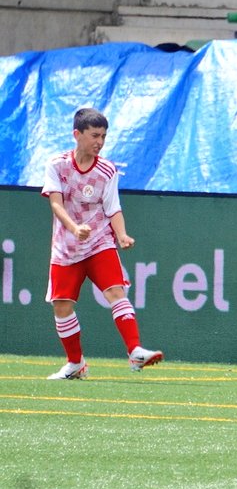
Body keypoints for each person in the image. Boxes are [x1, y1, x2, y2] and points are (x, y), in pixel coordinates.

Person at [42, 108, 164, 380]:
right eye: (94, 135)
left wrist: (121, 235)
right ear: (77, 134)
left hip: (99, 242)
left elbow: (113, 208)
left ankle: (135, 352)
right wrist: (74, 228)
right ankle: (76, 364)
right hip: (66, 248)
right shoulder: (57, 165)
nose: (99, 141)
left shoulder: (107, 170)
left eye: (104, 137)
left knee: (115, 292)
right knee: (62, 306)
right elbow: (55, 203)